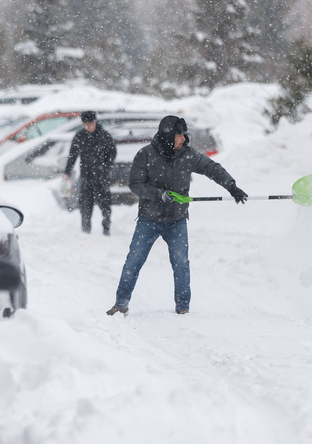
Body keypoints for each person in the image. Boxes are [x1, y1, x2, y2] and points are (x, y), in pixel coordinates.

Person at [106, 115, 248, 316]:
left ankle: (183, 308)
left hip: (176, 221)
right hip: (149, 220)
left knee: (181, 263)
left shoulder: (187, 155)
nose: (184, 138)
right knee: (134, 261)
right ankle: (121, 305)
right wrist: (158, 195)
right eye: (180, 135)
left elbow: (211, 168)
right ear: (168, 136)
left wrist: (231, 186)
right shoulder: (145, 155)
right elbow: (135, 184)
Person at [63, 110, 117, 235]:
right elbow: (72, 156)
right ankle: (86, 231)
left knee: (105, 205)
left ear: (95, 122)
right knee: (85, 206)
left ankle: (106, 229)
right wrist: (67, 172)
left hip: (101, 176)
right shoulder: (80, 137)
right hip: (86, 177)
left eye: (90, 123)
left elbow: (112, 153)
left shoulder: (104, 136)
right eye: (85, 124)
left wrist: (105, 165)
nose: (88, 126)